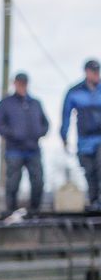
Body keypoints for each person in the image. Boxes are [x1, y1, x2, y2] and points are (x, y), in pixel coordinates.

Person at [0, 71, 49, 214]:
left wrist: (38, 133)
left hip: (33, 149)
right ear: (15, 84)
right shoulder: (6, 103)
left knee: (38, 182)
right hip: (14, 149)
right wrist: (13, 134)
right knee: (12, 182)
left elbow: (45, 124)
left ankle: (35, 210)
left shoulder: (35, 103)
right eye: (19, 83)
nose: (22, 86)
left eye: (24, 83)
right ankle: (10, 210)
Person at [61, 59, 101, 210]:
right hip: (84, 141)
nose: (96, 75)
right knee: (89, 171)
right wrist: (64, 136)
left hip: (100, 139)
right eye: (93, 71)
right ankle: (94, 201)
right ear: (87, 72)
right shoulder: (75, 92)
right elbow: (66, 115)